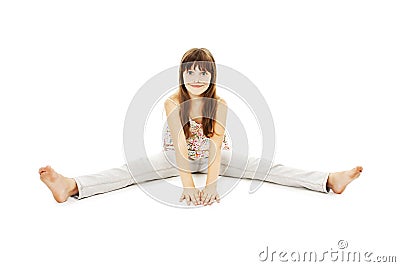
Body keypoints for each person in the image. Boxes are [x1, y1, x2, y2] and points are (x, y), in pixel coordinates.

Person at [39, 48, 363, 206]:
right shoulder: (171, 102)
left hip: (215, 159)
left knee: (263, 167)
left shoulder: (219, 104)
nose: (196, 79)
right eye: (190, 73)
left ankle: (328, 180)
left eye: (203, 74)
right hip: (173, 159)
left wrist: (211, 184)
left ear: (212, 78)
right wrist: (189, 186)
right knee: (129, 170)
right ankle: (71, 186)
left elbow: (217, 144)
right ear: (181, 76)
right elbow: (180, 147)